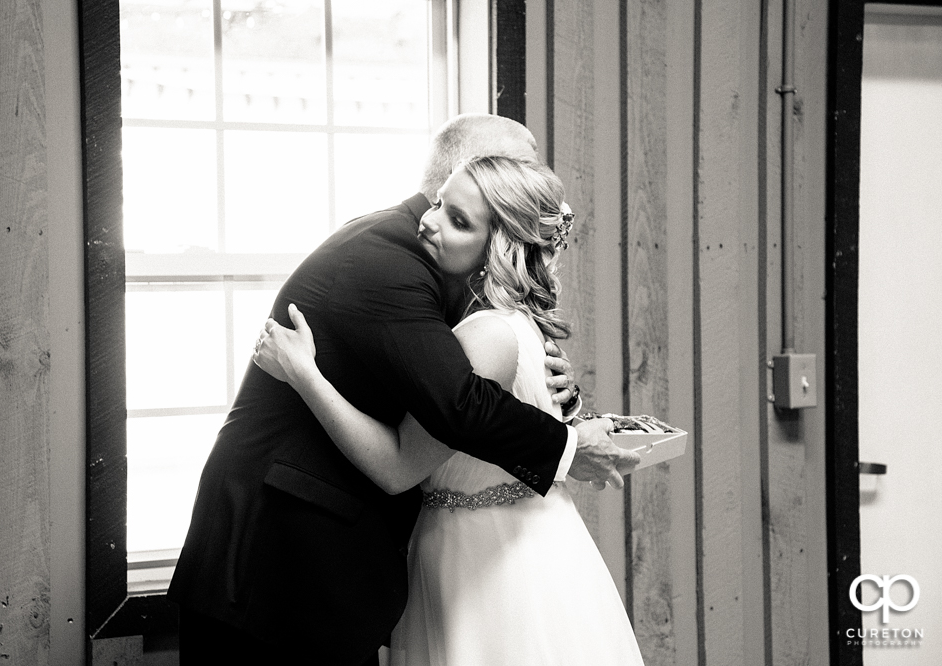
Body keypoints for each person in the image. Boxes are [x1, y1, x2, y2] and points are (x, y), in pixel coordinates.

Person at [168, 114, 637, 665]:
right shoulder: (390, 260)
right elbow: (458, 405)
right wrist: (569, 448)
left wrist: (558, 392)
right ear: (470, 168)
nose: (539, 188)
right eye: (521, 165)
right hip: (274, 566)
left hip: (372, 560)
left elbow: (467, 385)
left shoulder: (467, 289)